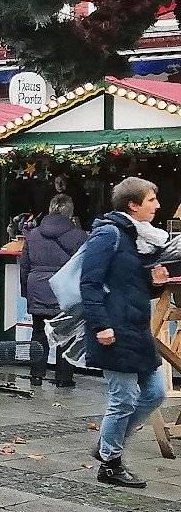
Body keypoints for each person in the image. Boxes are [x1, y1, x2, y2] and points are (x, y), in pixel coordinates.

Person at [81, 177, 168, 488]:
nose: (157, 206)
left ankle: (107, 444)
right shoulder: (108, 234)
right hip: (113, 330)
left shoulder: (138, 239)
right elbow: (89, 284)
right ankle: (110, 463)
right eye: (150, 200)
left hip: (136, 329)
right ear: (133, 205)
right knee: (125, 398)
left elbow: (130, 286)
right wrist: (101, 325)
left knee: (155, 393)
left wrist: (153, 284)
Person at [19, 194, 86, 387]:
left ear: (50, 210)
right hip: (66, 290)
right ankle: (63, 379)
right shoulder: (79, 236)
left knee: (38, 332)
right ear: (70, 212)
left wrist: (26, 291)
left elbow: (25, 266)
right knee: (66, 332)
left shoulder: (32, 235)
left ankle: (36, 375)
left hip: (37, 288)